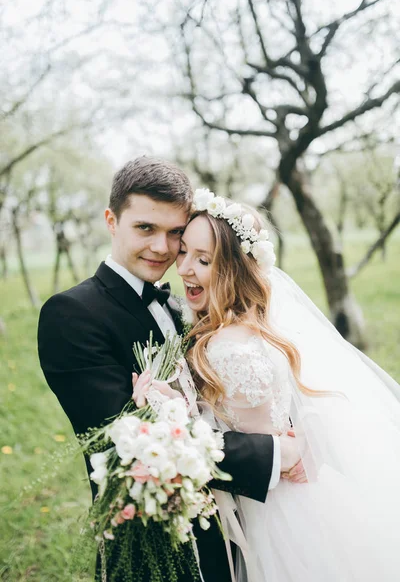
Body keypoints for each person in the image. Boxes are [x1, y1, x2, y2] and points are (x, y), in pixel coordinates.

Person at [37, 157, 302, 582]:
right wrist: (274, 454)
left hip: (228, 525)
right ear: (111, 220)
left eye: (174, 233)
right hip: (151, 542)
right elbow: (127, 442)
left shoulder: (185, 304)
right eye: (146, 228)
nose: (163, 248)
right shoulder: (72, 315)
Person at [144, 187, 400, 582]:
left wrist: (166, 404)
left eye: (203, 259)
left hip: (275, 505)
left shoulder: (226, 347)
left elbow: (213, 428)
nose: (184, 269)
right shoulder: (252, 326)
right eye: (183, 253)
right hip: (293, 487)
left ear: (232, 267)